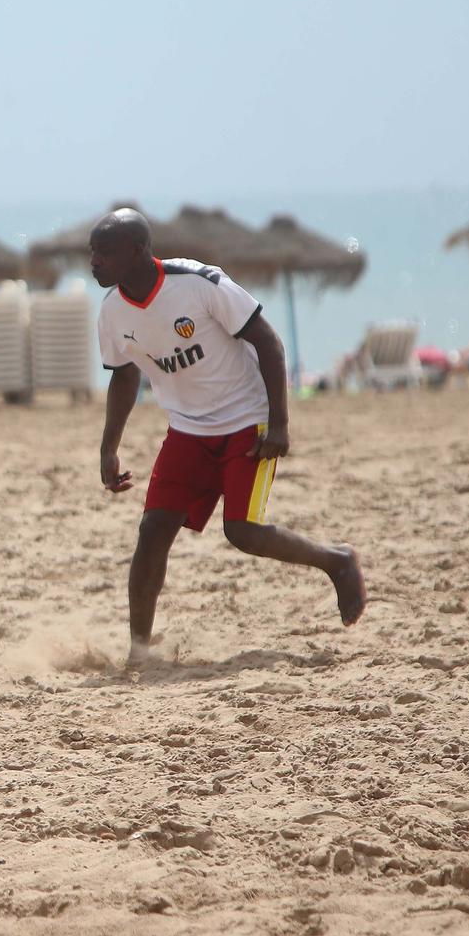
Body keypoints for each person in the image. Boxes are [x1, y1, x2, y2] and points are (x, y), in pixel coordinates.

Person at [91, 208, 366, 667]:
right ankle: (138, 649)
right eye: (92, 253)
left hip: (247, 418)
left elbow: (268, 342)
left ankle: (337, 561)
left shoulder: (199, 283)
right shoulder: (112, 311)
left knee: (242, 531)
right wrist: (109, 446)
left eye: (105, 253)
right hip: (187, 429)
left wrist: (279, 422)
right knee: (152, 530)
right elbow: (123, 378)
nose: (94, 262)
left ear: (138, 251)